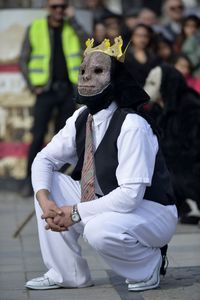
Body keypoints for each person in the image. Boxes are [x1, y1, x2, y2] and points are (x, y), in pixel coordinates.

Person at [25, 36, 177, 292]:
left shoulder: (132, 125)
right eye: (83, 70)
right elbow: (44, 159)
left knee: (98, 230)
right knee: (48, 182)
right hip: (106, 200)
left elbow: (130, 196)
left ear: (115, 79)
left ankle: (148, 265)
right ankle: (68, 273)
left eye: (97, 71)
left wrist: (73, 213)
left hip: (152, 211)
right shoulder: (81, 117)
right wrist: (47, 203)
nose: (85, 77)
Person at [19, 0, 86, 196]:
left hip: (68, 90)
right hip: (45, 91)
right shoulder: (36, 27)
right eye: (54, 6)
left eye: (62, 6)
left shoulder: (72, 27)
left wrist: (73, 20)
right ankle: (29, 181)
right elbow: (23, 58)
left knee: (63, 138)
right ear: (47, 7)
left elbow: (88, 44)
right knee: (38, 135)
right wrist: (33, 86)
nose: (59, 10)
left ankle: (57, 182)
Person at [144, 64, 200, 224]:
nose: (147, 88)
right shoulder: (156, 110)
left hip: (189, 165)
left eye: (154, 84)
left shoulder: (190, 105)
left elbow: (193, 144)